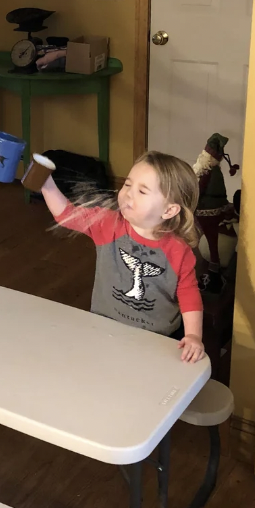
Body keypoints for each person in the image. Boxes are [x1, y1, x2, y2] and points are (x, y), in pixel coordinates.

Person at [40, 151, 205, 363]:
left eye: (142, 191)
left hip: (159, 340)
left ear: (169, 210)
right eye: (127, 184)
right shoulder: (107, 224)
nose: (128, 193)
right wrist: (46, 182)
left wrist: (193, 336)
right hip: (104, 328)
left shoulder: (178, 250)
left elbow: (188, 293)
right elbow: (67, 215)